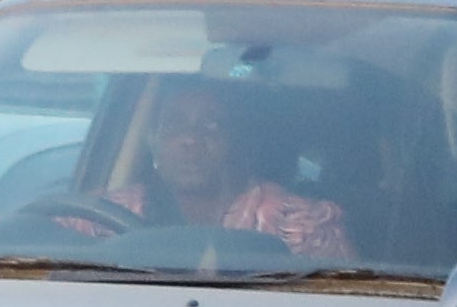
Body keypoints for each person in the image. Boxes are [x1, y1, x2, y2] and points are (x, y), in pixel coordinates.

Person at [60, 75, 355, 263]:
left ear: (240, 140)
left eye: (212, 125)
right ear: (153, 140)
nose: (190, 139)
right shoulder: (101, 215)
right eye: (174, 125)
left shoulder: (299, 226)